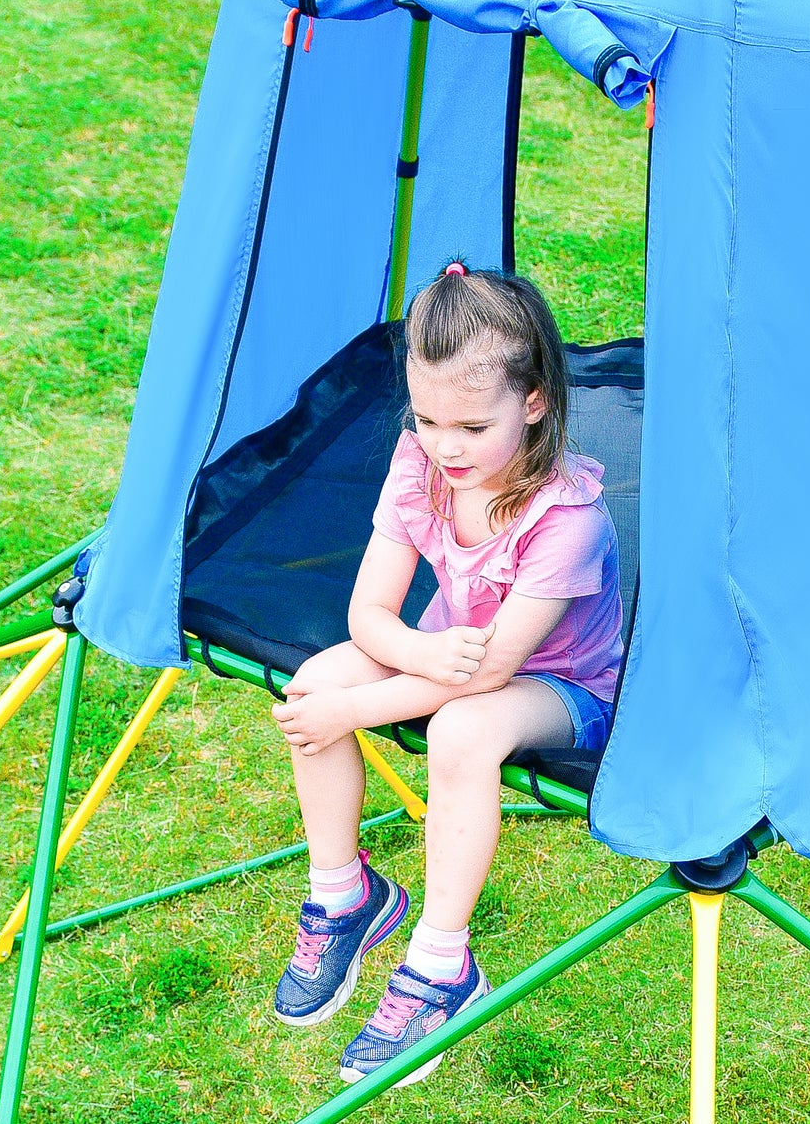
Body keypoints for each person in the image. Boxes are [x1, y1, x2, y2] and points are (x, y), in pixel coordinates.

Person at [270, 262, 622, 1085]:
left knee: (460, 729)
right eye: (427, 418)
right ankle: (345, 894)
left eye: (470, 425)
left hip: (558, 688)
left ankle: (440, 964)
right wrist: (398, 662)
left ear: (532, 402)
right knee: (313, 682)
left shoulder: (567, 519)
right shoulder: (417, 462)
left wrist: (357, 708)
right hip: (444, 655)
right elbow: (369, 615)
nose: (445, 445)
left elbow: (488, 672)